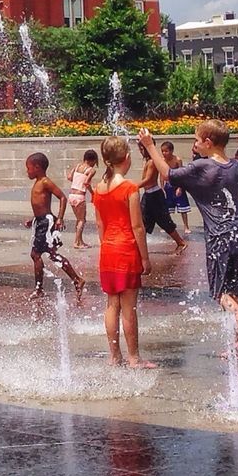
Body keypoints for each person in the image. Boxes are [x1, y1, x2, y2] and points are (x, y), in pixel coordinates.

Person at [140, 122, 238, 354]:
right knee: (235, 292)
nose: (194, 145)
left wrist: (150, 146)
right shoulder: (235, 166)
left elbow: (167, 174)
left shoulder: (202, 167)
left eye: (196, 140)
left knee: (220, 293)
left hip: (218, 238)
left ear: (208, 143)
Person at [90, 136, 154, 369]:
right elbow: (138, 226)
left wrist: (107, 244)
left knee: (111, 305)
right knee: (128, 307)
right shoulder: (129, 188)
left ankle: (114, 355)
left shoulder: (98, 189)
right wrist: (145, 258)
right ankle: (134, 357)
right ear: (126, 159)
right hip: (126, 249)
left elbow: (99, 224)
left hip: (107, 249)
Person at [24, 152, 85, 300]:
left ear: (37, 167)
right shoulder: (38, 182)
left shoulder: (45, 182)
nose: (27, 171)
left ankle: (41, 288)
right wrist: (33, 219)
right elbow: (41, 206)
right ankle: (75, 279)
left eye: (29, 168)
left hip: (47, 222)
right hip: (41, 222)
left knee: (39, 254)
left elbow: (62, 197)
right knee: (46, 254)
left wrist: (60, 218)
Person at [135, 137, 187, 254]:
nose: (140, 151)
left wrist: (133, 186)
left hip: (154, 196)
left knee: (164, 221)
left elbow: (148, 180)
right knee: (143, 221)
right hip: (149, 195)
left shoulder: (153, 161)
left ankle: (181, 242)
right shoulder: (150, 161)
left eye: (141, 148)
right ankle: (138, 247)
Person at [66, 149, 96, 248]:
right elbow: (87, 183)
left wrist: (77, 180)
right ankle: (76, 242)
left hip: (71, 195)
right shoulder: (91, 170)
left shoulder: (77, 166)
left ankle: (80, 241)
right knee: (82, 220)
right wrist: (93, 193)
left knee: (78, 219)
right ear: (92, 160)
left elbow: (69, 177)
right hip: (80, 196)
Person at [160, 141, 191, 234]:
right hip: (168, 187)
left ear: (171, 151)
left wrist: (180, 188)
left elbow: (181, 175)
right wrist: (162, 188)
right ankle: (167, 226)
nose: (164, 153)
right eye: (162, 151)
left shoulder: (177, 160)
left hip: (177, 185)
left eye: (166, 151)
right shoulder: (162, 161)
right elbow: (161, 176)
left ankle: (186, 226)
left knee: (183, 208)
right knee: (167, 209)